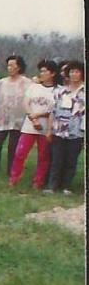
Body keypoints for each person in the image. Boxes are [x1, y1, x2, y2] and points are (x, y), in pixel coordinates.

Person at [8, 59, 59, 190]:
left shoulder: (57, 90)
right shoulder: (34, 87)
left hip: (46, 127)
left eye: (45, 71)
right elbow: (26, 102)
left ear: (52, 73)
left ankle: (38, 181)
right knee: (20, 152)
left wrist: (39, 115)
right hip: (29, 126)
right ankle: (14, 178)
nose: (42, 73)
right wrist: (32, 117)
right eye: (40, 71)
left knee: (43, 156)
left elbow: (54, 110)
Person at [47, 60, 85, 194]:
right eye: (71, 72)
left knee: (71, 160)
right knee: (56, 159)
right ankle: (52, 186)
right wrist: (49, 130)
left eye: (77, 72)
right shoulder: (60, 91)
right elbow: (52, 112)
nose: (74, 74)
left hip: (77, 132)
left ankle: (66, 187)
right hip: (59, 131)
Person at [0, 55, 30, 175]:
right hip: (2, 118)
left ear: (19, 67)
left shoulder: (27, 82)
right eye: (8, 65)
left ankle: (10, 170)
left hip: (18, 119)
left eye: (12, 65)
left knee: (13, 147)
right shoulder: (2, 82)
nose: (10, 68)